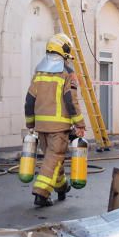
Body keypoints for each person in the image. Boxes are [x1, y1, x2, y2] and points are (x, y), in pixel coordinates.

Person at [24, 33, 86, 207]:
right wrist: (80, 123)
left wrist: (30, 123)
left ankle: (61, 187)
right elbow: (71, 101)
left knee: (53, 159)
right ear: (64, 51)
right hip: (59, 127)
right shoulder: (68, 74)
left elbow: (29, 101)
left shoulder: (38, 73)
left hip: (41, 127)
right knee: (54, 157)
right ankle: (41, 193)